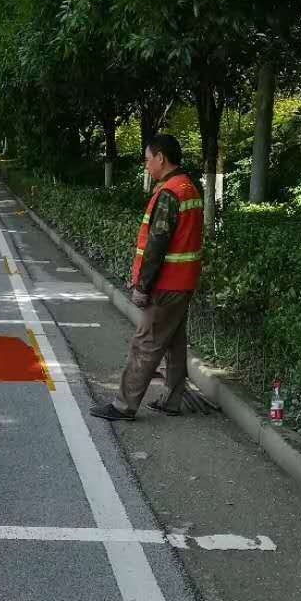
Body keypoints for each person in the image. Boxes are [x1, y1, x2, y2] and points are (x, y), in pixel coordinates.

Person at [90, 133, 204, 421]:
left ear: (161, 158)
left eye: (147, 160)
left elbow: (156, 245)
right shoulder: (190, 187)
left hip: (165, 284)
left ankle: (124, 406)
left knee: (146, 344)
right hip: (184, 282)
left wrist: (142, 287)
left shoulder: (169, 193)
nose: (147, 166)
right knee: (175, 342)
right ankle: (172, 399)